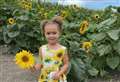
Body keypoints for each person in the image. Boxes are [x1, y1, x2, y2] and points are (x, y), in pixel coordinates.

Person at [31, 16, 69, 82]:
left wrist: (60, 73)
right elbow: (40, 63)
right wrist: (33, 67)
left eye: (54, 33)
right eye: (48, 33)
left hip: (57, 77)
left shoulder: (63, 49)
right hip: (45, 77)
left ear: (59, 33)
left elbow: (66, 64)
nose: (51, 35)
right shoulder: (42, 49)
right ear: (44, 34)